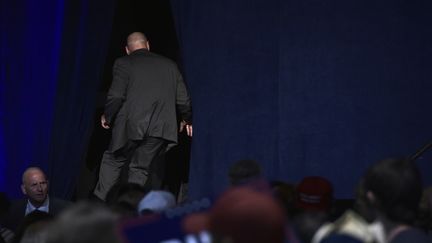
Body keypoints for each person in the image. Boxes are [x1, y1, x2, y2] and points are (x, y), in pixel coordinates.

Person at [94, 32, 193, 201]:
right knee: (140, 169)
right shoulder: (170, 65)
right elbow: (184, 99)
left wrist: (107, 116)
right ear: (148, 45)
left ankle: (100, 207)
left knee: (112, 161)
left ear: (127, 50)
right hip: (159, 129)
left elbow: (116, 96)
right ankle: (130, 209)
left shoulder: (123, 62)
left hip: (129, 126)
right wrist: (187, 119)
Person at [2, 167, 71, 232]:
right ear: (24, 189)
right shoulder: (10, 210)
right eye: (34, 185)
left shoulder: (66, 209)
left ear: (48, 185)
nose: (40, 189)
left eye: (43, 183)